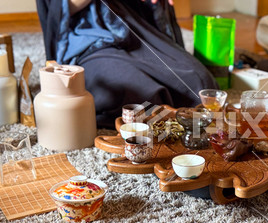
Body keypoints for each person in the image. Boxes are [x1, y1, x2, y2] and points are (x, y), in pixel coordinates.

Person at [36, 0, 219, 128]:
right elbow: (60, 7)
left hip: (133, 31)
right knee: (143, 96)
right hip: (88, 42)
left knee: (200, 82)